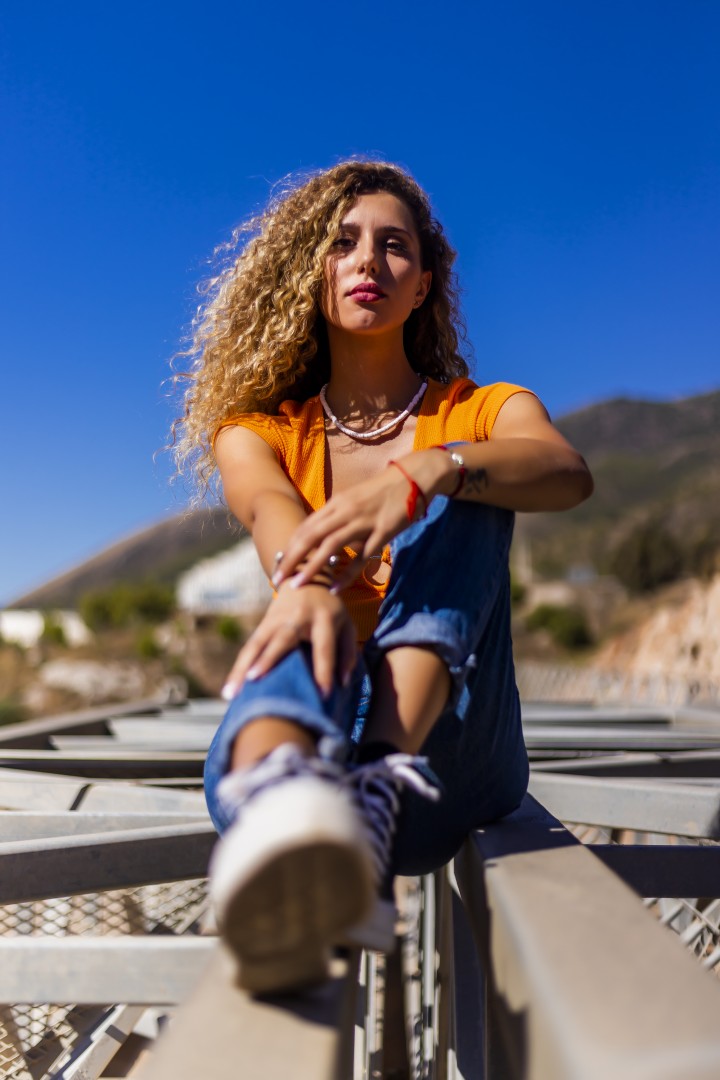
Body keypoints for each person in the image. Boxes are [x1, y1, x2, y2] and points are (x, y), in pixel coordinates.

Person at [173, 160, 593, 995]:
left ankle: (370, 784)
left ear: (424, 283)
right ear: (312, 272)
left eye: (394, 246)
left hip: (449, 755)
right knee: (304, 596)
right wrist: (308, 586)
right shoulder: (258, 433)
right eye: (342, 243)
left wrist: (430, 471)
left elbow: (566, 472)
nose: (368, 260)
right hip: (316, 726)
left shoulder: (481, 409)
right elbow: (268, 511)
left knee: (474, 483)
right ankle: (281, 802)